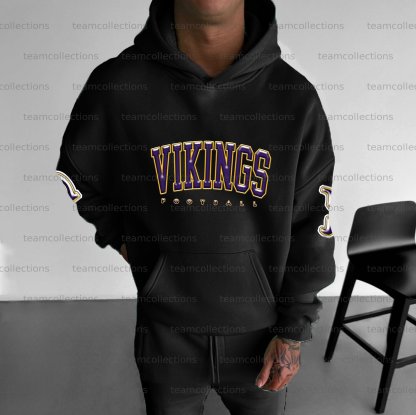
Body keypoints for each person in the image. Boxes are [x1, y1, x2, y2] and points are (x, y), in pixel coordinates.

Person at [55, 0, 336, 413]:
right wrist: (125, 240)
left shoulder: (293, 98)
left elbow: (312, 223)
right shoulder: (119, 86)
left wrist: (293, 331)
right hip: (165, 336)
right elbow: (80, 175)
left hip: (262, 336)